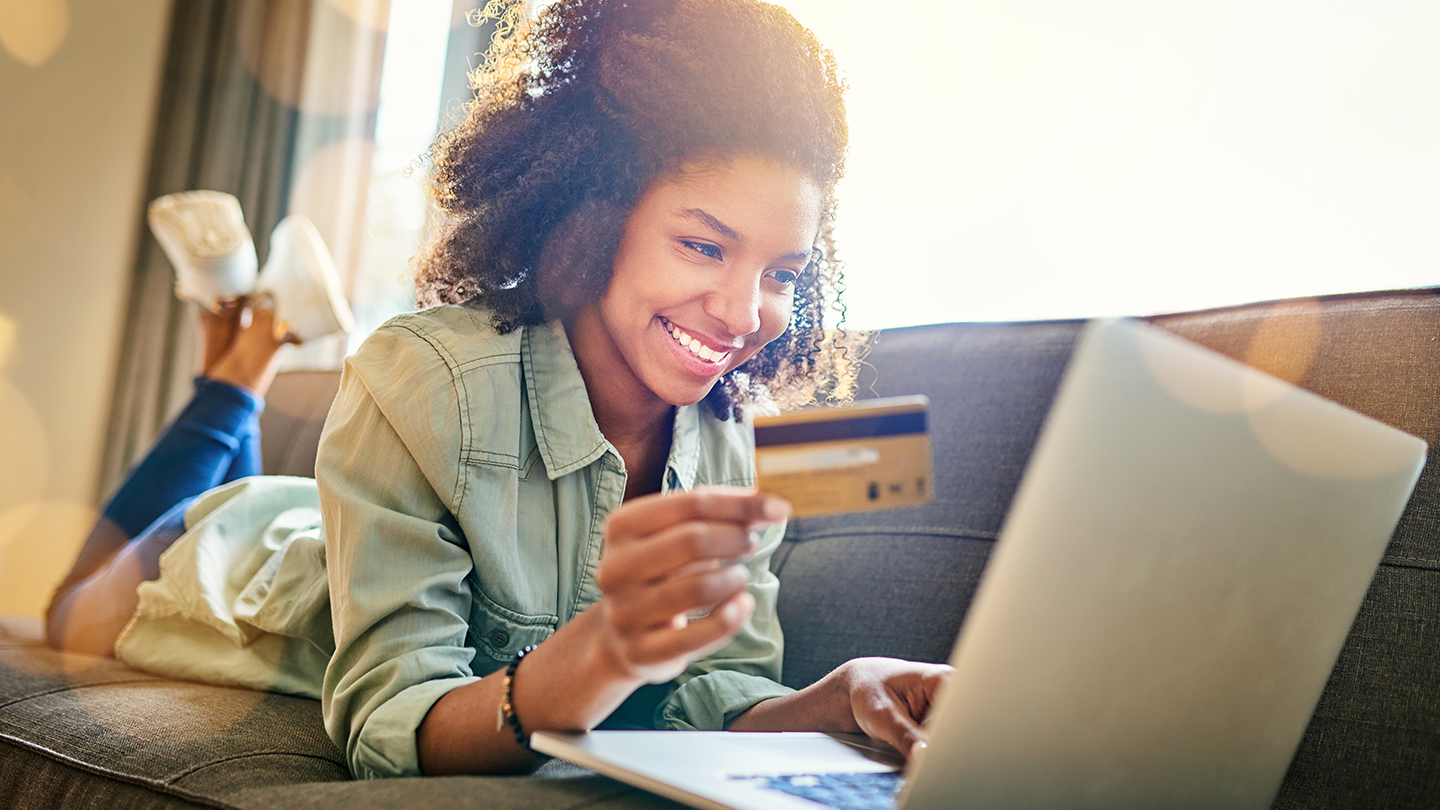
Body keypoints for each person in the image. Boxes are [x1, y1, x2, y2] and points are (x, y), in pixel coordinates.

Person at [47, 0, 951, 781]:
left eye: (783, 272)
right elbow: (387, 726)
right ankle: (241, 361)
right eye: (704, 246)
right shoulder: (424, 374)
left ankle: (250, 325)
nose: (743, 313)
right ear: (597, 216)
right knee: (68, 607)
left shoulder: (731, 444)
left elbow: (709, 695)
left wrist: (835, 696)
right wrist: (605, 650)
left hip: (335, 518)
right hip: (228, 564)